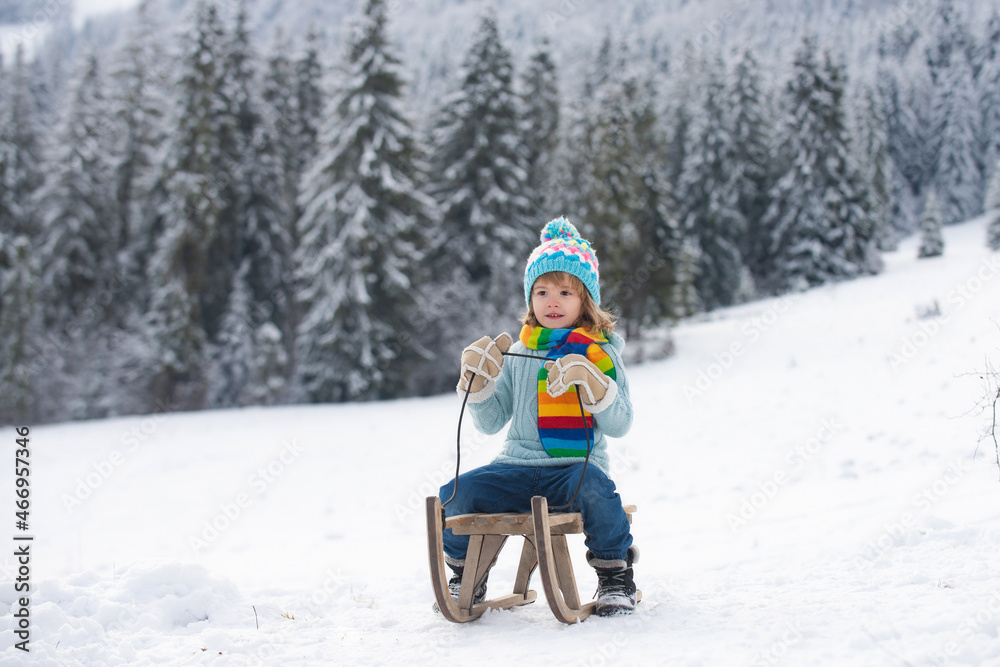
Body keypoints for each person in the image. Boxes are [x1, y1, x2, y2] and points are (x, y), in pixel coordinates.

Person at [439, 217, 638, 617]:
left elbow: (620, 424)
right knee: (456, 493)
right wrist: (477, 388)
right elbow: (493, 421)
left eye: (565, 292)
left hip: (573, 471)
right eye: (542, 290)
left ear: (586, 300)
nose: (552, 301)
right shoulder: (520, 351)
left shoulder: (600, 353)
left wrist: (595, 386)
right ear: (530, 297)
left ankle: (615, 578)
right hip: (515, 468)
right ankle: (466, 574)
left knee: (600, 493)